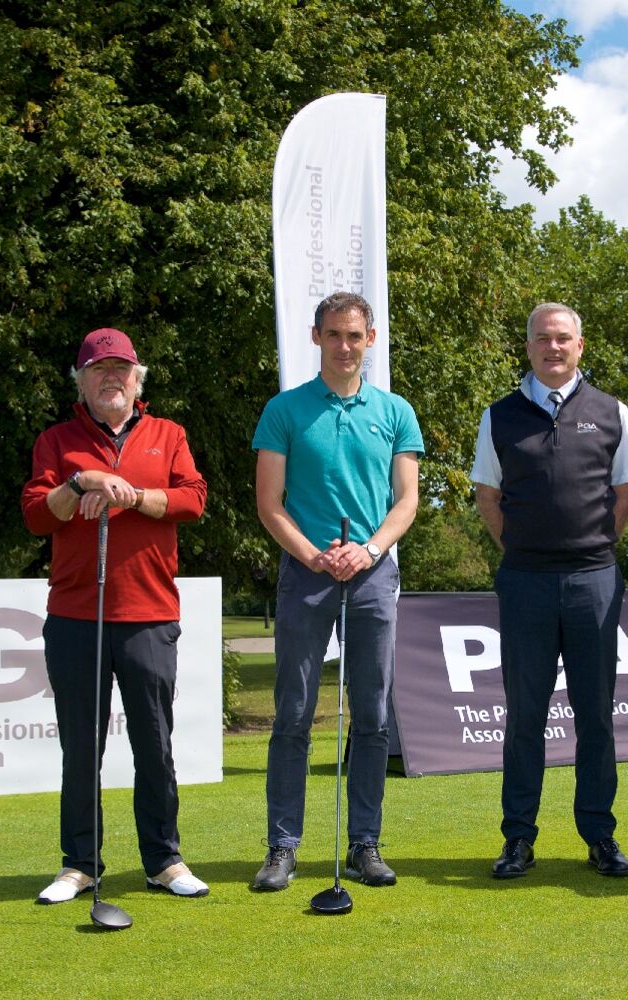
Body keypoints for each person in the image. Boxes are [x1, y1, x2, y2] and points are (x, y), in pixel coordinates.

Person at [22, 327, 210, 904]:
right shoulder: (57, 441)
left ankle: (164, 860)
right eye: (98, 369)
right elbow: (37, 515)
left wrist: (132, 495)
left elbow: (192, 499)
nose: (112, 378)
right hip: (76, 614)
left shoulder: (168, 435)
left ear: (137, 379)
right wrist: (82, 481)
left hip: (149, 612)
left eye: (121, 369)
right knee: (82, 747)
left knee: (155, 743)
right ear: (80, 381)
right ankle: (80, 864)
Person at [250, 291, 422, 891]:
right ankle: (282, 846)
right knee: (293, 713)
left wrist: (368, 550)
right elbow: (269, 503)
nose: (344, 346)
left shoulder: (396, 411)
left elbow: (406, 501)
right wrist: (313, 555)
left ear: (370, 339)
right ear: (316, 337)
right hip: (307, 573)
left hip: (372, 574)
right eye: (333, 335)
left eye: (354, 335)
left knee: (372, 715)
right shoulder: (285, 409)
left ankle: (364, 844)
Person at [471, 302, 628, 879]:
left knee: (596, 715)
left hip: (595, 579)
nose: (553, 347)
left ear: (580, 345)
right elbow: (488, 497)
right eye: (542, 338)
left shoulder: (613, 411)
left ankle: (600, 835)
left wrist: (593, 549)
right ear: (528, 347)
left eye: (563, 338)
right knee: (525, 716)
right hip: (525, 582)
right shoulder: (499, 416)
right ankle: (518, 837)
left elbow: (624, 492)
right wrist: (524, 550)